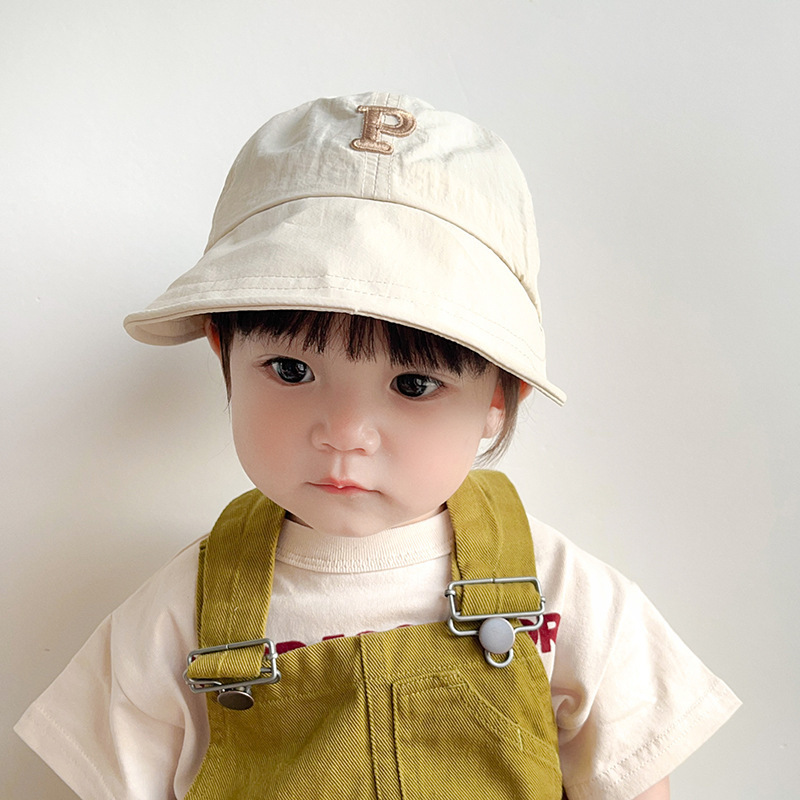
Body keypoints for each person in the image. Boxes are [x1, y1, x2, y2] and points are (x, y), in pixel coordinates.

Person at [15, 92, 740, 800]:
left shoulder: (565, 595)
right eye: (291, 370)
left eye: (414, 384)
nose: (344, 433)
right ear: (222, 352)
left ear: (499, 397)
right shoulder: (183, 613)